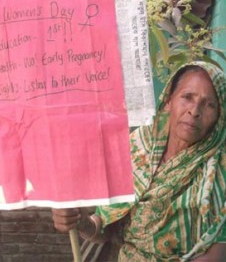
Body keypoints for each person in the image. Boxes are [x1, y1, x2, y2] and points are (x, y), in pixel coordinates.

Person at [52, 61, 226, 261]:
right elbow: (104, 229)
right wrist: (81, 223)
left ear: (218, 117)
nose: (194, 111)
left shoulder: (219, 170)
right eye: (187, 97)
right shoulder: (137, 149)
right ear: (169, 101)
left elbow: (217, 255)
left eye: (209, 104)